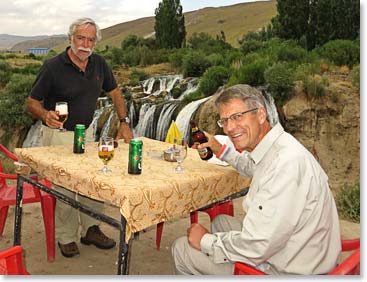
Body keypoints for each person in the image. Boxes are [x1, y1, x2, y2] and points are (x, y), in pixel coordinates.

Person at [171, 84, 341, 275]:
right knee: (221, 222)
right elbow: (252, 166)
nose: (229, 128)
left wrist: (204, 241)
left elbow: (258, 246)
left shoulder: (285, 165)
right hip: (302, 249)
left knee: (182, 248)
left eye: (237, 117)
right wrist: (220, 149)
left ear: (261, 114)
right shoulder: (278, 146)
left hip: (291, 270)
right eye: (224, 121)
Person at [26, 17, 134, 258]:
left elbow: (115, 92)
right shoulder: (53, 66)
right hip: (58, 134)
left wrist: (124, 122)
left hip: (87, 133)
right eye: (81, 38)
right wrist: (45, 115)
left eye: (91, 39)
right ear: (70, 38)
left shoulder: (99, 64)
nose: (85, 44)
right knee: (65, 186)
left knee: (92, 183)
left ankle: (91, 229)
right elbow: (32, 102)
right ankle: (66, 237)